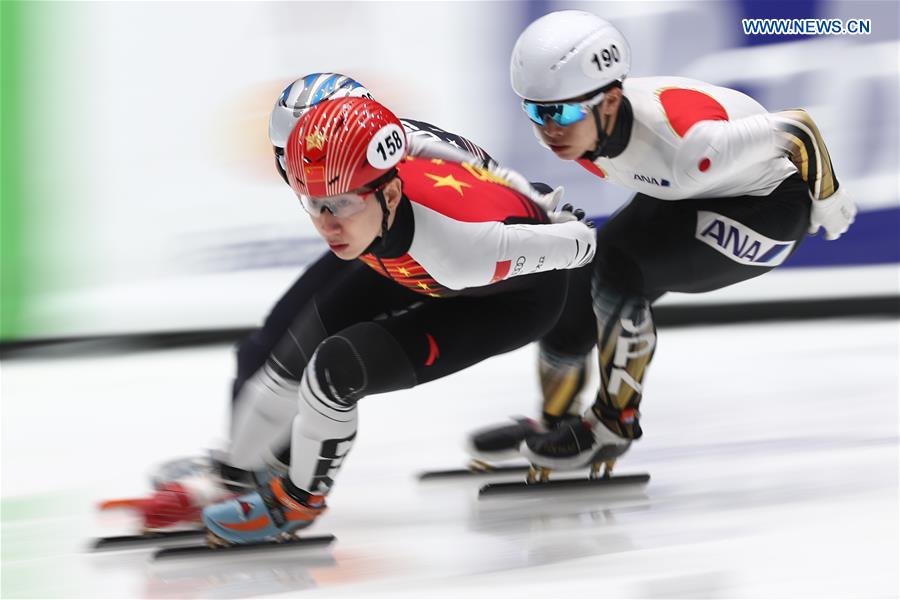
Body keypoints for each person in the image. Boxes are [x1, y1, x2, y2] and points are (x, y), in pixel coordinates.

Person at [139, 73, 567, 529]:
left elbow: (493, 181)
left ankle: (261, 473)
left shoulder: (409, 152)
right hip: (391, 247)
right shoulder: (358, 186)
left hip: (464, 270)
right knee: (272, 349)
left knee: (322, 359)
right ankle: (246, 468)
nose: (309, 175)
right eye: (291, 161)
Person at [467, 10, 856, 476]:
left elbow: (798, 128)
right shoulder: (593, 127)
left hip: (770, 211)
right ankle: (556, 421)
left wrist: (829, 200)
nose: (550, 129)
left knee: (619, 269)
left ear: (610, 102)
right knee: (576, 276)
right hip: (692, 194)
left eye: (564, 112)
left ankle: (613, 426)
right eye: (536, 111)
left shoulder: (689, 147)